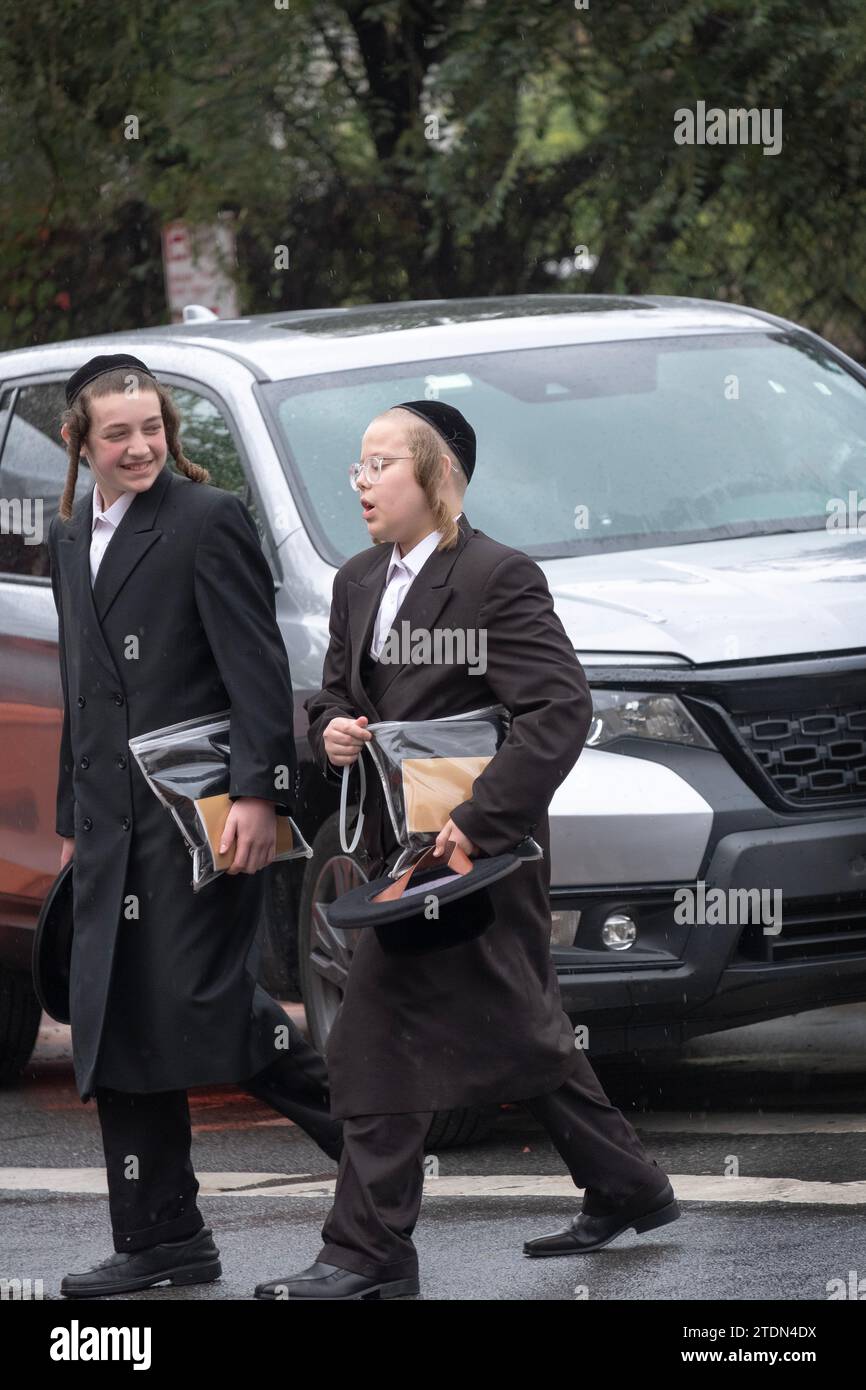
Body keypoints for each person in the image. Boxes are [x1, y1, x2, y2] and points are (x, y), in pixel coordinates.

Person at [254, 399, 679, 1301]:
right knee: (520, 1028)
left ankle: (366, 1256)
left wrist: (480, 822)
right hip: (393, 856)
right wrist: (330, 730)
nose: (360, 481)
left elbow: (559, 711)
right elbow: (333, 696)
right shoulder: (357, 581)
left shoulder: (496, 575)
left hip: (478, 857)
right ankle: (629, 1184)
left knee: (371, 1033)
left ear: (436, 476)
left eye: (380, 464)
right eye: (358, 466)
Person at [48, 353, 343, 1299]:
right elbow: (84, 689)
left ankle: (379, 1144)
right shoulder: (66, 538)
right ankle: (160, 1236)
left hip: (198, 825)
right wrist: (73, 815)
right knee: (118, 1025)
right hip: (110, 831)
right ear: (80, 442)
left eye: (151, 429)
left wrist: (260, 794)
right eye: (117, 434)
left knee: (208, 1010)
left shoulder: (207, 522)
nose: (139, 448)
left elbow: (255, 667)